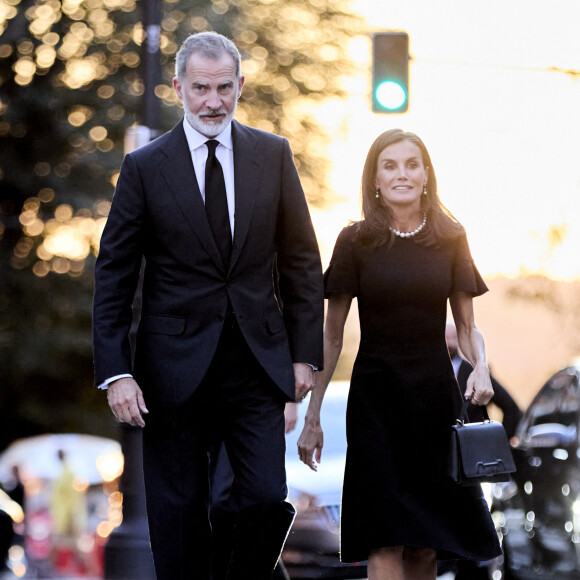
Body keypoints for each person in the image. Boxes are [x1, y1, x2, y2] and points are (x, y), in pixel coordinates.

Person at [92, 31, 324, 580]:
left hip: (256, 362)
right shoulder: (145, 167)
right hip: (171, 368)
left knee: (266, 496)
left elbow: (301, 262)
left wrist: (303, 356)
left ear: (241, 85)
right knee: (178, 512)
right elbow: (115, 276)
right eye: (201, 88)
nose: (213, 101)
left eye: (224, 87)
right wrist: (116, 371)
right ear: (178, 88)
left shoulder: (274, 155)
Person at [297, 129, 502, 580]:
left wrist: (480, 368)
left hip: (433, 403)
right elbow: (331, 337)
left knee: (426, 545)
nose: (402, 174)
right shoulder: (354, 241)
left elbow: (467, 328)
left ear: (426, 174)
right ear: (374, 178)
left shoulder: (451, 238)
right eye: (389, 166)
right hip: (376, 403)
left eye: (412, 164)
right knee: (383, 537)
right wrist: (312, 416)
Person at [446, 321, 522, 439]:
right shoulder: (431, 373)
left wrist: (500, 443)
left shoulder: (474, 372)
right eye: (446, 338)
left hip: (473, 446)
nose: (450, 343)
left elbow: (511, 409)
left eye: (454, 338)